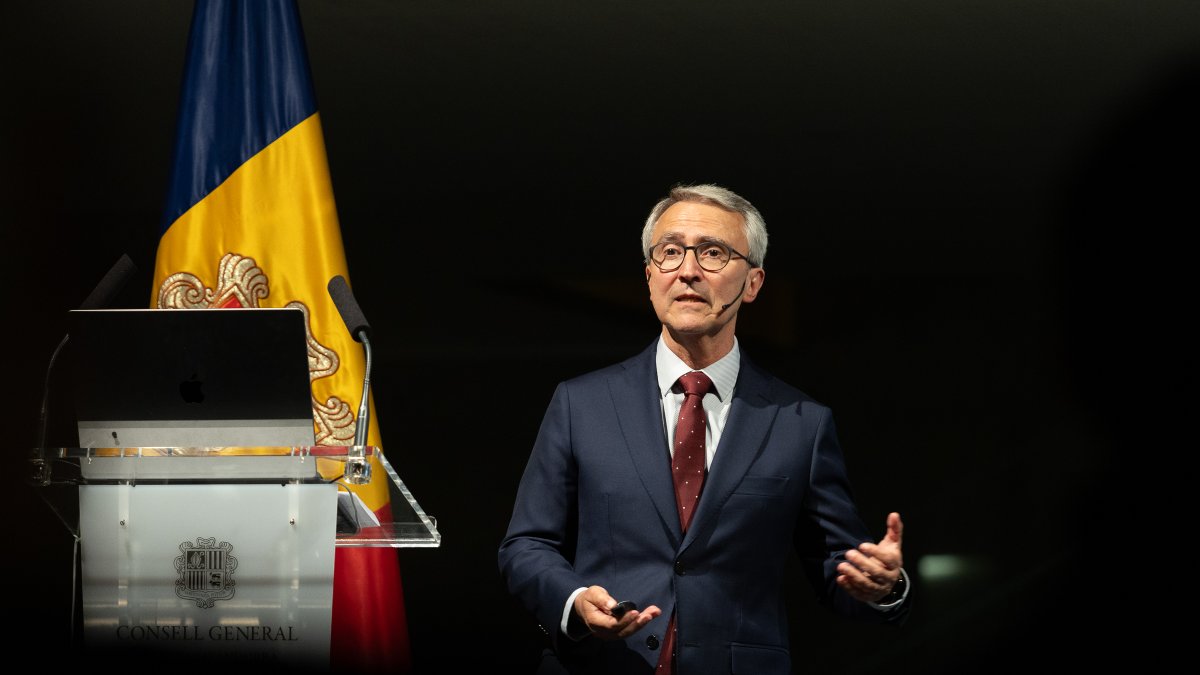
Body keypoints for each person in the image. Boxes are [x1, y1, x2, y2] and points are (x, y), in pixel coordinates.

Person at [497, 184, 910, 675]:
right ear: (650, 276)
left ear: (753, 283)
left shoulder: (801, 421)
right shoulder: (580, 403)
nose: (688, 270)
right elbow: (527, 546)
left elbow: (839, 566)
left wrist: (883, 586)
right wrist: (575, 601)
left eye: (713, 253)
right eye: (670, 252)